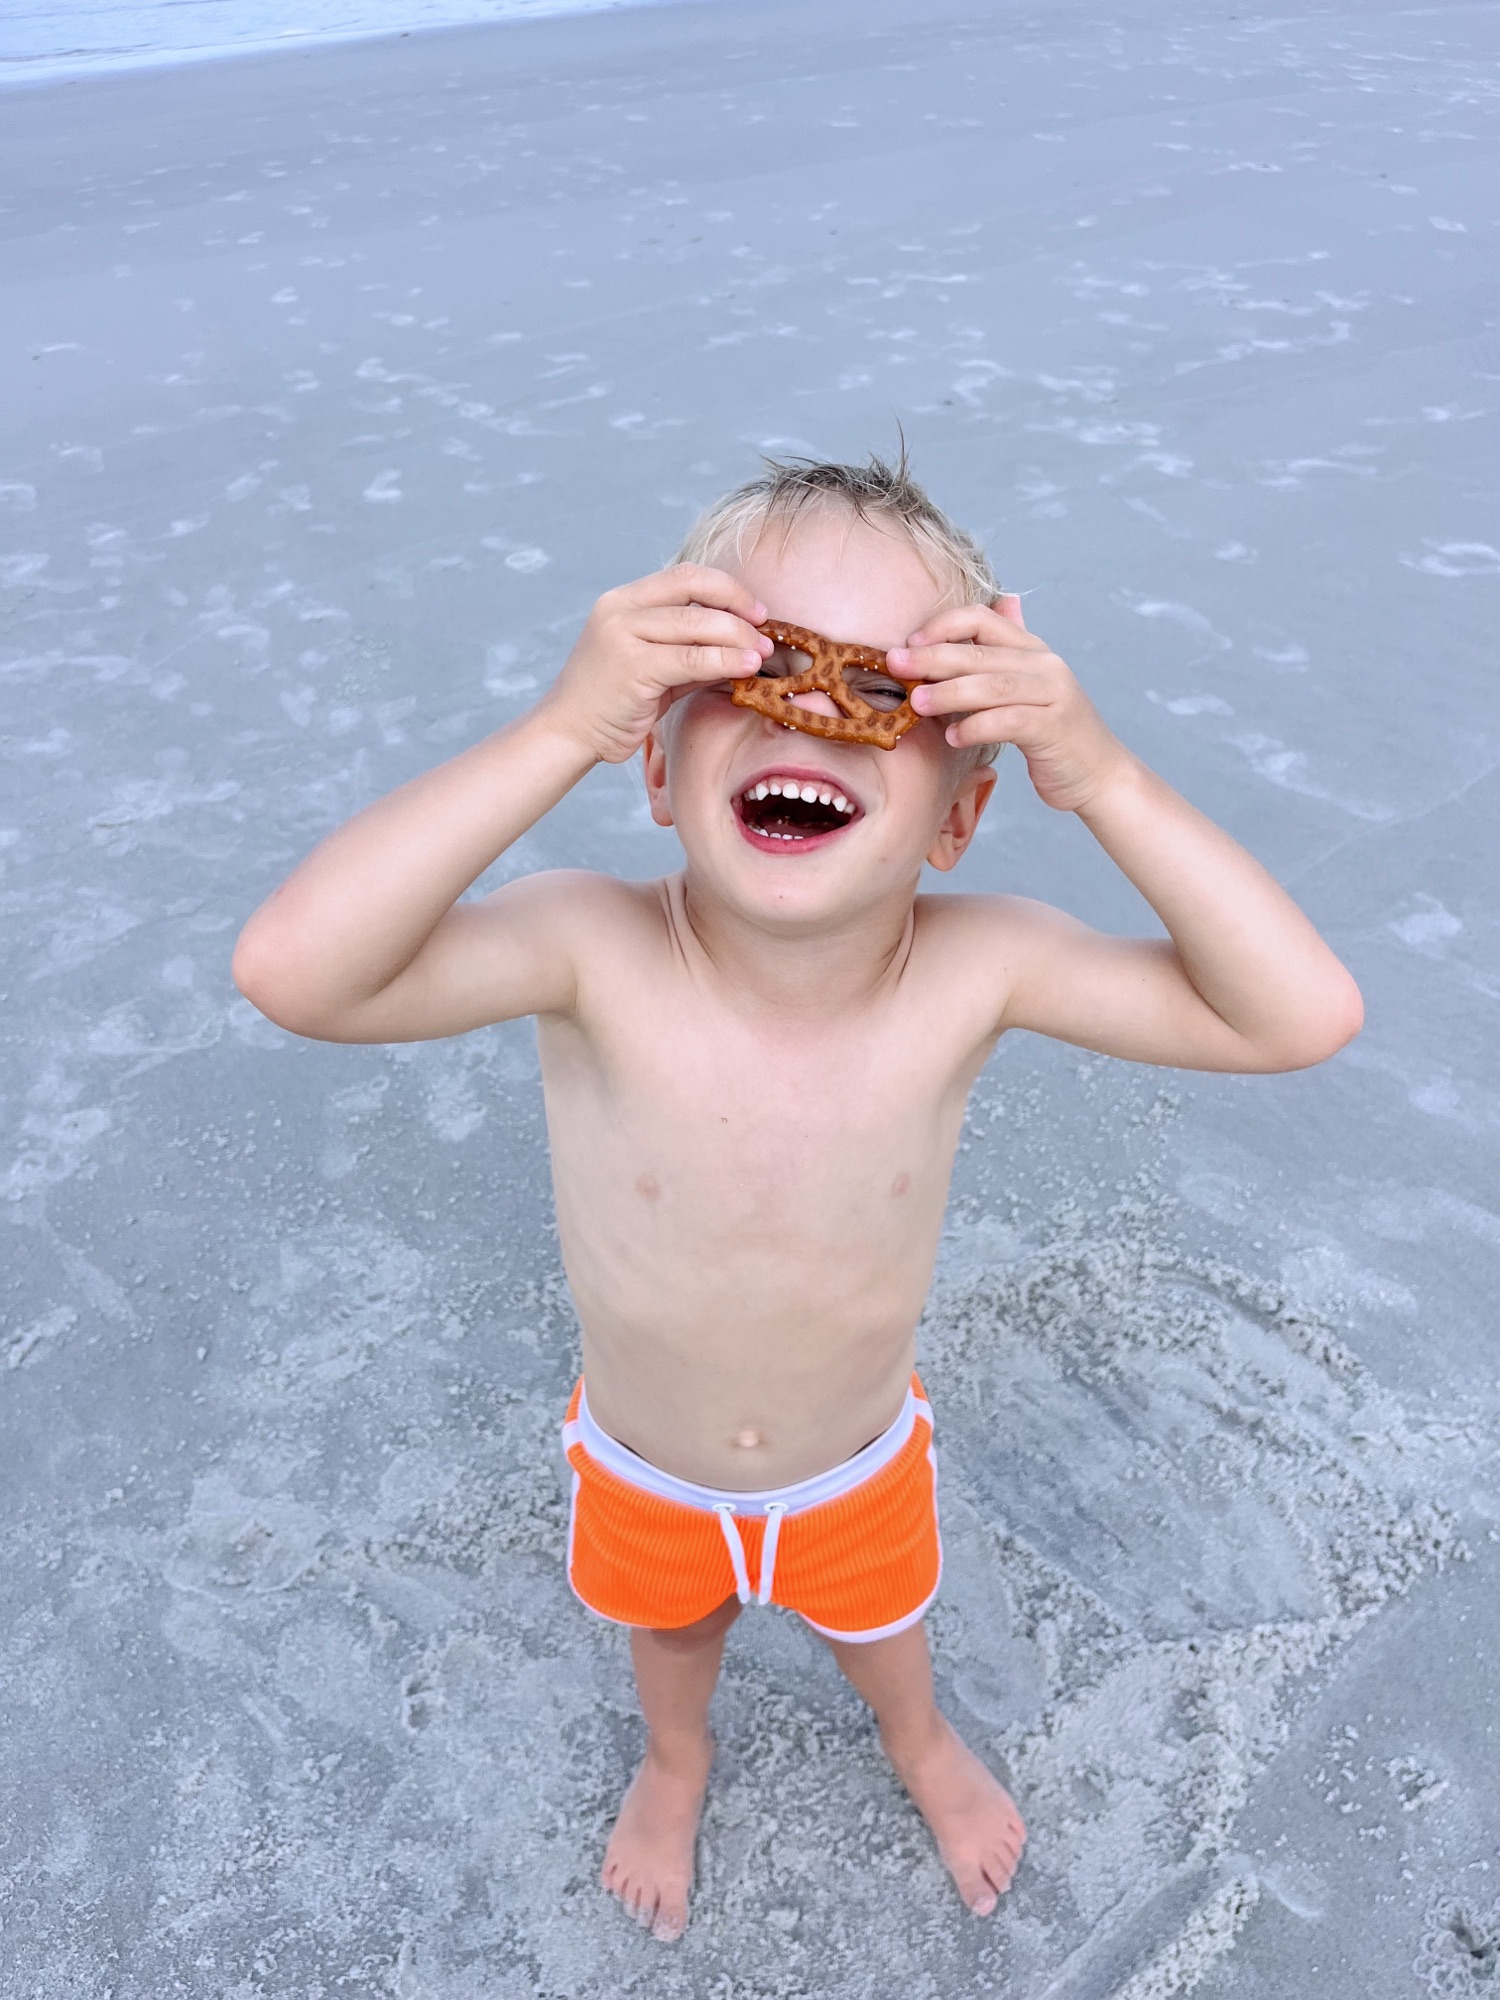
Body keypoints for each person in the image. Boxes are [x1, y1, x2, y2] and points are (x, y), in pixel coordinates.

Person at [232, 454, 1362, 1943]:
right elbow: (294, 973)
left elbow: (1298, 1017)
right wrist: (559, 726)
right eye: (747, 673)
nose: (806, 715)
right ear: (655, 765)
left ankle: (921, 1742)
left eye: (883, 692)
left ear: (957, 816)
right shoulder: (589, 948)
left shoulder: (978, 966)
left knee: (885, 1628)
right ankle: (674, 1765)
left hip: (854, 1464)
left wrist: (1104, 775)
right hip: (648, 1466)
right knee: (669, 1633)